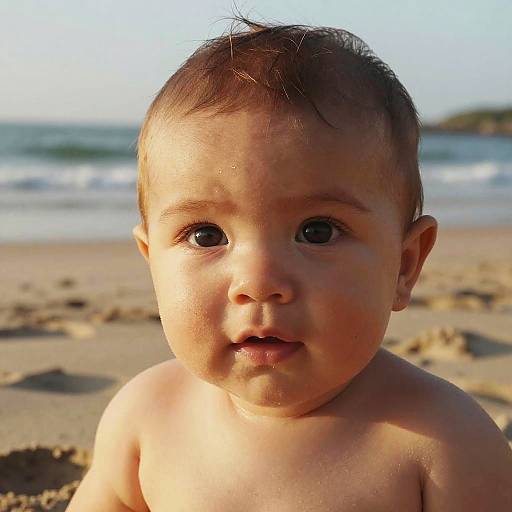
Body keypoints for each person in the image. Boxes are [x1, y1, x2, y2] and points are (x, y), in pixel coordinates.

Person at [67, 17, 512, 511]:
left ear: (405, 265)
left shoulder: (444, 444)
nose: (258, 283)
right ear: (153, 264)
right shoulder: (145, 418)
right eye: (206, 235)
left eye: (317, 231)